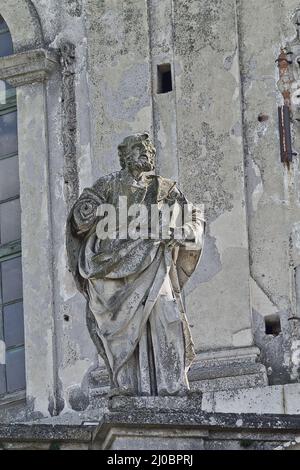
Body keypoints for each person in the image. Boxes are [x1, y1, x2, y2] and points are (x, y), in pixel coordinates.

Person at [67, 133, 205, 396]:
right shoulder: (109, 184)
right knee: (122, 330)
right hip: (114, 267)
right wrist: (84, 213)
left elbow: (194, 217)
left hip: (154, 259)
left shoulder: (166, 188)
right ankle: (127, 386)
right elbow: (82, 215)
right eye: (138, 149)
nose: (145, 153)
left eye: (148, 150)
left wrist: (185, 231)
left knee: (167, 315)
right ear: (124, 156)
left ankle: (172, 385)